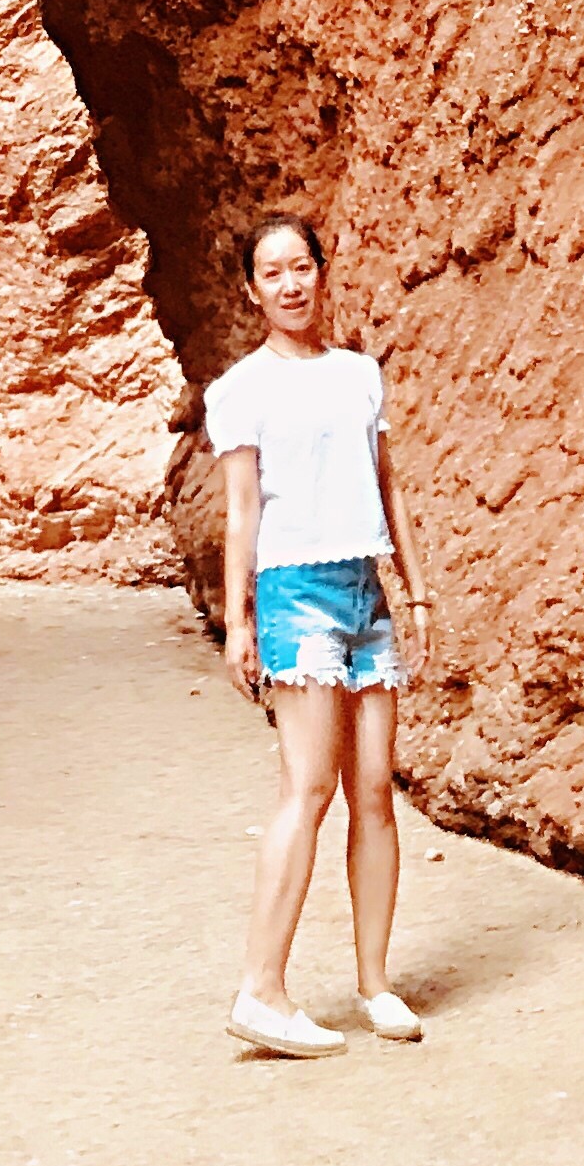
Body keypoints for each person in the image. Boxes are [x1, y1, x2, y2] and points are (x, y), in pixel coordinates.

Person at [208, 209, 437, 1056]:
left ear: (320, 270)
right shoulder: (240, 391)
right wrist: (239, 624)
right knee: (307, 790)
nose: (291, 284)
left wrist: (414, 594)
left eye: (300, 266)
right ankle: (261, 990)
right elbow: (240, 516)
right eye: (272, 273)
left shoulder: (357, 375)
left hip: (365, 591)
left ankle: (375, 984)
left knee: (374, 793)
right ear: (252, 288)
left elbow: (387, 485)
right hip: (294, 596)